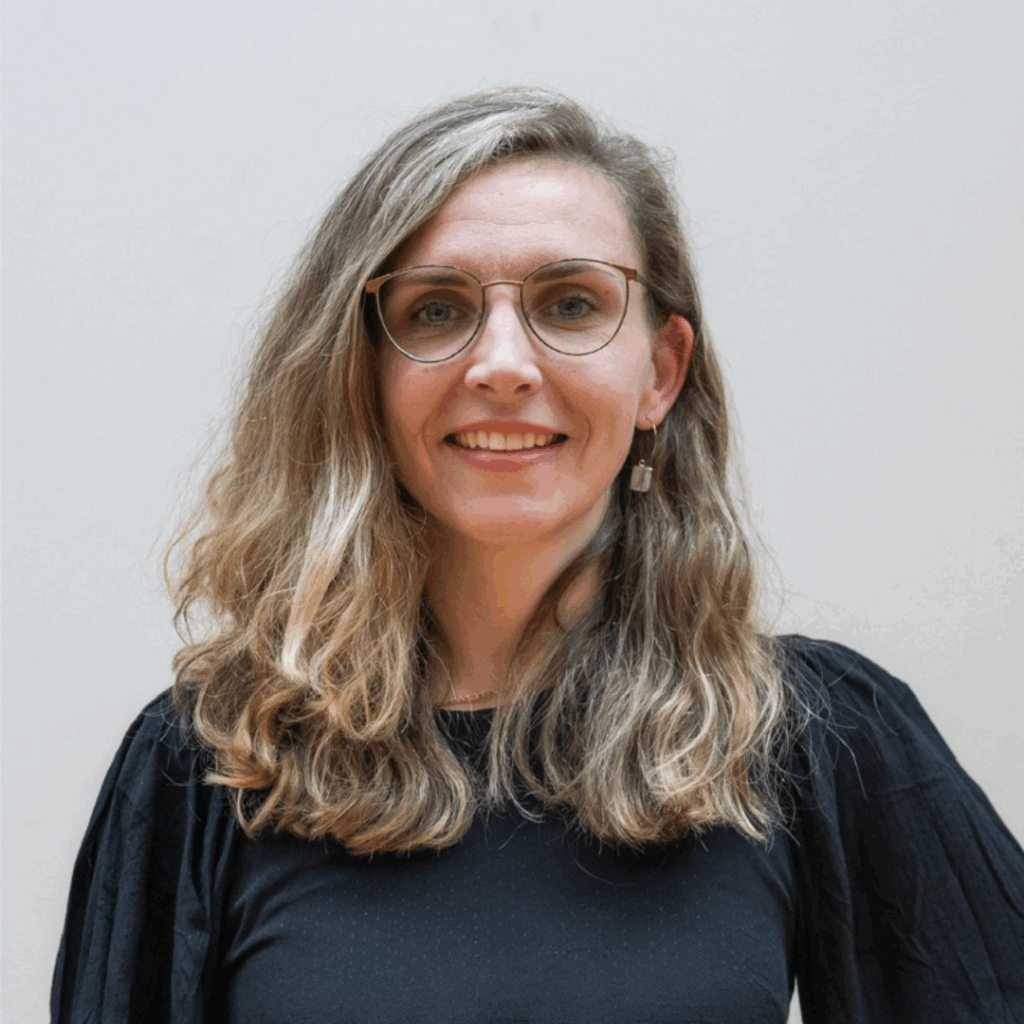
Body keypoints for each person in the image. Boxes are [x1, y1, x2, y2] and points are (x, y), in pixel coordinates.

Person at [52, 87, 1024, 1024]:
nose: (504, 365)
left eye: (569, 304)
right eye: (436, 310)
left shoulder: (816, 738)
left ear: (661, 373)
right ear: (361, 374)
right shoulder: (208, 766)